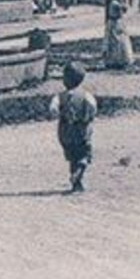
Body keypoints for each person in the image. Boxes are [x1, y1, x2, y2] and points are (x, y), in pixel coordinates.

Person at [50, 62, 99, 193]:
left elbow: (53, 109)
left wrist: (60, 114)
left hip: (65, 130)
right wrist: (88, 117)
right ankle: (78, 173)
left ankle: (76, 184)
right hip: (81, 129)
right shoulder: (85, 95)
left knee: (72, 155)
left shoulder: (60, 96)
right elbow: (92, 107)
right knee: (84, 153)